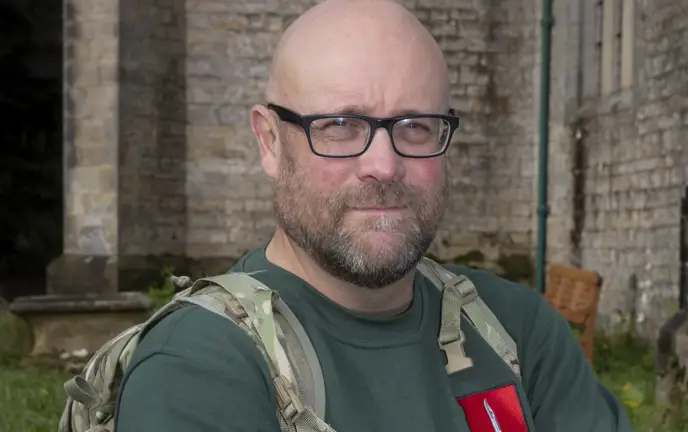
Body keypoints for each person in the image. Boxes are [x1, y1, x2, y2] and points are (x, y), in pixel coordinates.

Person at [113, 0, 634, 431]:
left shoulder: (517, 331)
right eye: (341, 125)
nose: (383, 166)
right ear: (269, 142)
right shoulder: (200, 368)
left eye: (415, 126)